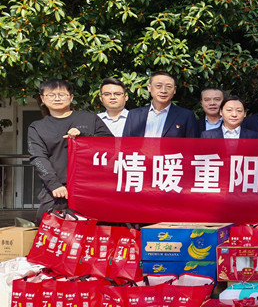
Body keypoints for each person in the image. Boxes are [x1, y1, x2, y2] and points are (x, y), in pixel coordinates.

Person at [28, 79, 113, 221]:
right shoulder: (37, 127)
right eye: (51, 95)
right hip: (58, 190)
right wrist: (54, 184)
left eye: (62, 94)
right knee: (49, 229)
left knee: (96, 229)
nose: (57, 98)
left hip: (91, 187)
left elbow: (111, 144)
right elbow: (38, 157)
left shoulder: (89, 119)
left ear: (71, 97)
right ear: (42, 98)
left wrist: (84, 136)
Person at [122, 72, 199, 137]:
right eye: (158, 86)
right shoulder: (134, 115)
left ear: (174, 90)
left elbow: (191, 146)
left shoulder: (186, 116)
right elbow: (126, 144)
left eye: (168, 87)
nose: (163, 91)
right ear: (149, 88)